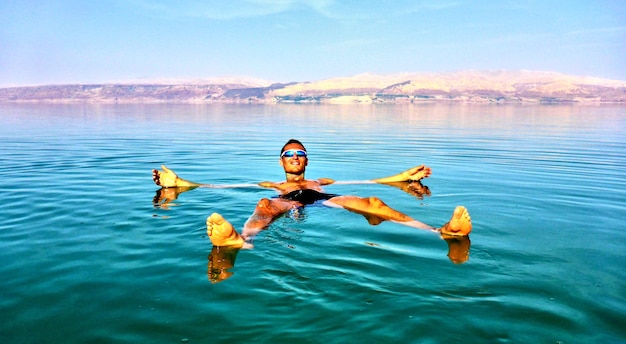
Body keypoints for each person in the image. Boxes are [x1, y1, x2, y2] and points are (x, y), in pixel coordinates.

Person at [152, 139, 472, 252]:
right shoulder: (271, 186)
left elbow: (370, 181)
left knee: (373, 203)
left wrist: (403, 177)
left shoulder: (323, 180)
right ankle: (241, 239)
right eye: (288, 153)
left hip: (321, 199)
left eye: (299, 153)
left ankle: (439, 232)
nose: (294, 157)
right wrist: (179, 182)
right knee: (264, 205)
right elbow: (220, 188)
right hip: (287, 201)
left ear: (306, 160)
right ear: (281, 161)